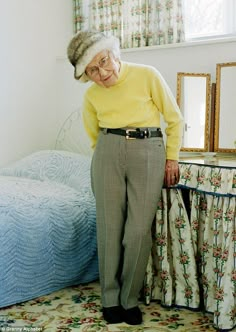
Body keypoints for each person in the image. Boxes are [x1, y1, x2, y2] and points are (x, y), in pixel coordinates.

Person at [67, 30, 183, 325]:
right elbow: (94, 135)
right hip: (108, 151)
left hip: (149, 150)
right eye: (92, 70)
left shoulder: (147, 75)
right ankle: (109, 298)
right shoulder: (92, 95)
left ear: (114, 53)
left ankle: (129, 298)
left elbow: (174, 119)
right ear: (86, 76)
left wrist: (172, 156)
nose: (102, 72)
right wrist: (108, 155)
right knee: (109, 229)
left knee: (137, 231)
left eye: (104, 61)